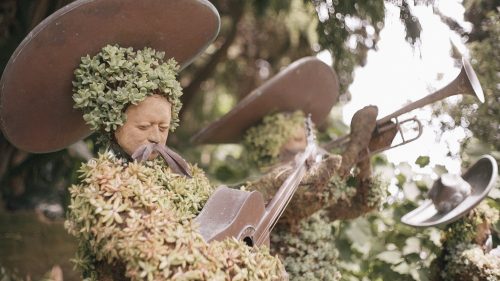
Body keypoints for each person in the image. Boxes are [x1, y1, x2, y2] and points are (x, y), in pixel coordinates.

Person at [0, 1, 287, 280]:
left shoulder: (183, 175)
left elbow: (223, 222)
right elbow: (158, 257)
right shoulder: (104, 186)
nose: (155, 135)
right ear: (112, 124)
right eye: (144, 125)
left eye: (163, 126)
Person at [192, 57, 397, 280]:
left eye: (304, 125)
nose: (303, 131)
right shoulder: (269, 185)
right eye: (290, 124)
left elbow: (363, 203)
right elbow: (307, 197)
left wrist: (365, 155)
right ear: (268, 137)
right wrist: (355, 146)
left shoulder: (316, 188)